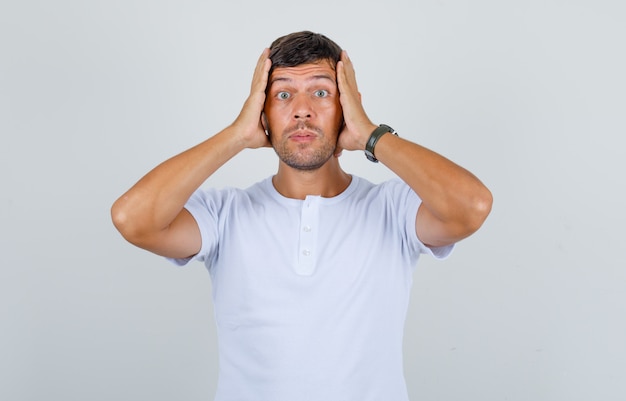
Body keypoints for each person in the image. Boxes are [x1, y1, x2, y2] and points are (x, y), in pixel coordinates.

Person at [111, 31, 492, 401]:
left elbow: (470, 207)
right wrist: (236, 136)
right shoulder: (224, 215)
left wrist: (371, 136)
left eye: (322, 92)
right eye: (282, 94)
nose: (302, 109)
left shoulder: (393, 209)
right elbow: (133, 219)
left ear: (349, 106)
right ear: (261, 112)